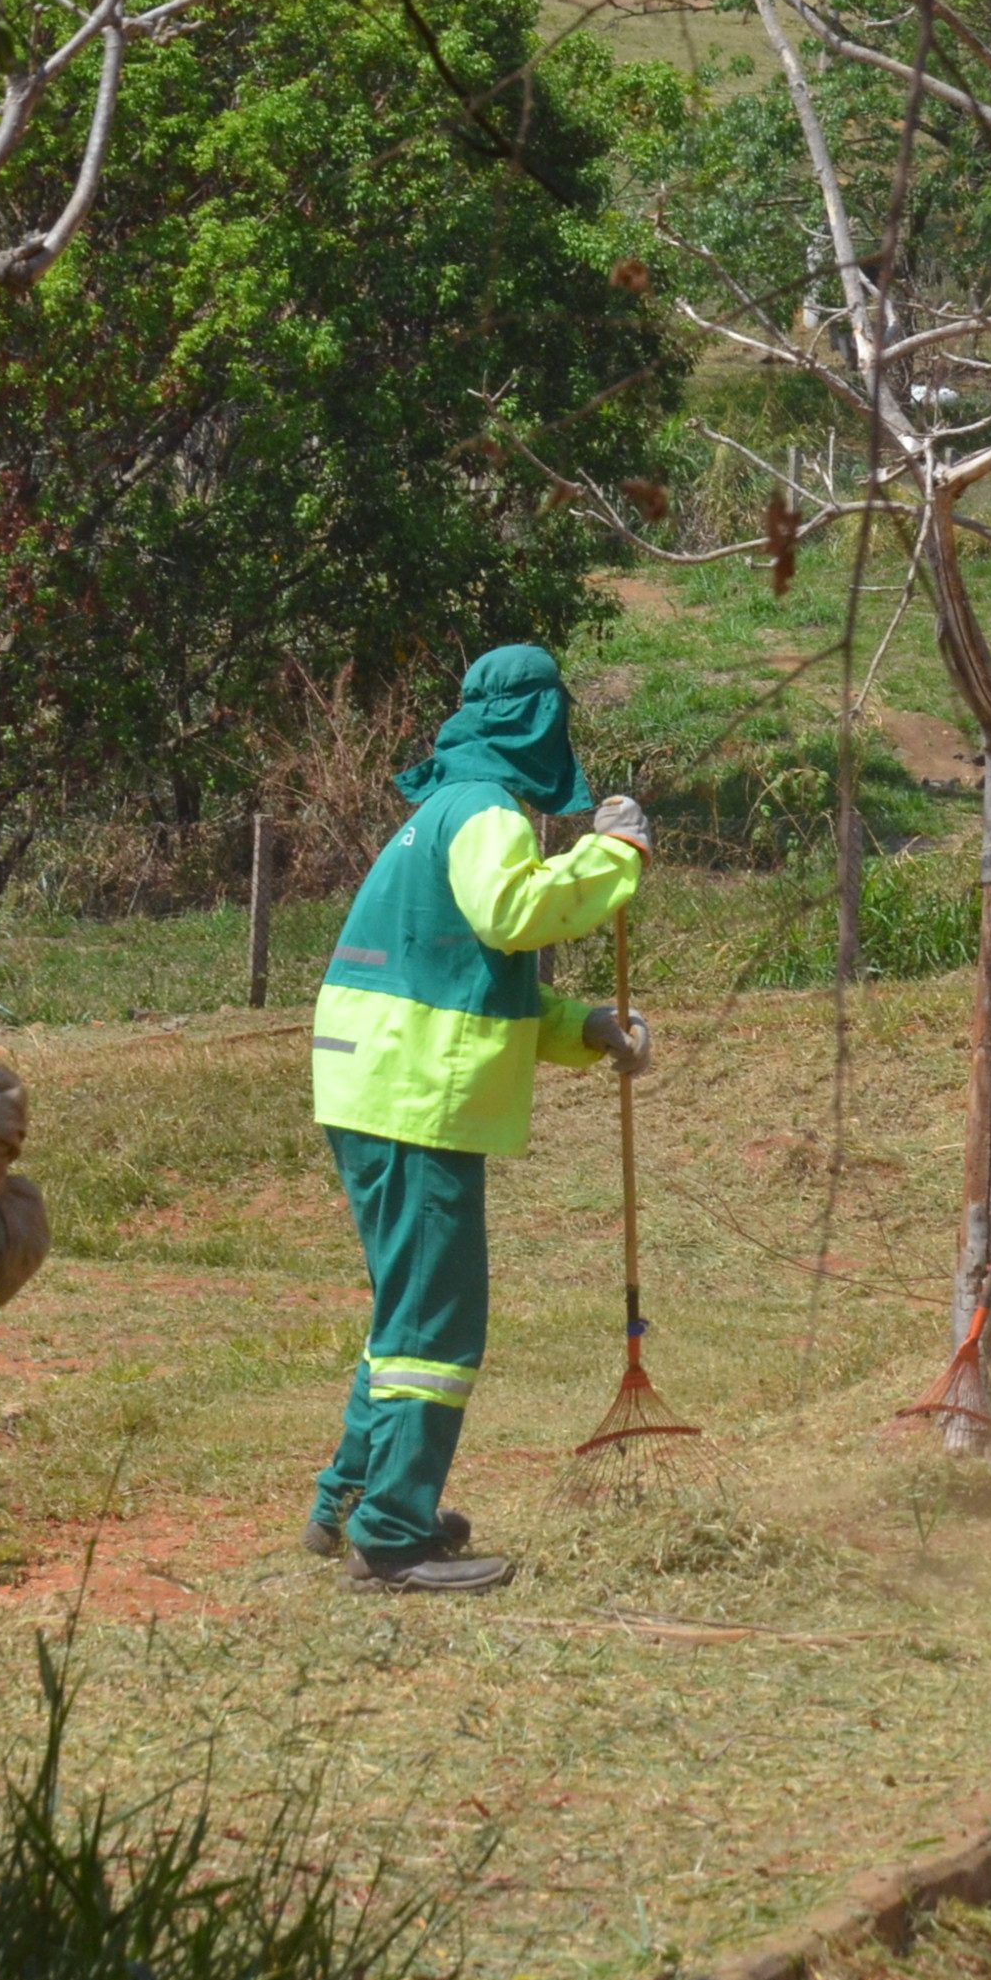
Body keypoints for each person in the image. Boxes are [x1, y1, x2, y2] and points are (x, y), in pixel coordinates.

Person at [304, 644, 652, 1591]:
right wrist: (613, 858)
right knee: (440, 1328)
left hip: (379, 1083)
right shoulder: (488, 811)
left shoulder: (442, 811)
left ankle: (351, 1494)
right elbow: (514, 913)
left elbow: (468, 981)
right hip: (413, 1098)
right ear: (537, 722)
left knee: (407, 1309)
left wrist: (586, 1028)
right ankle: (392, 1534)